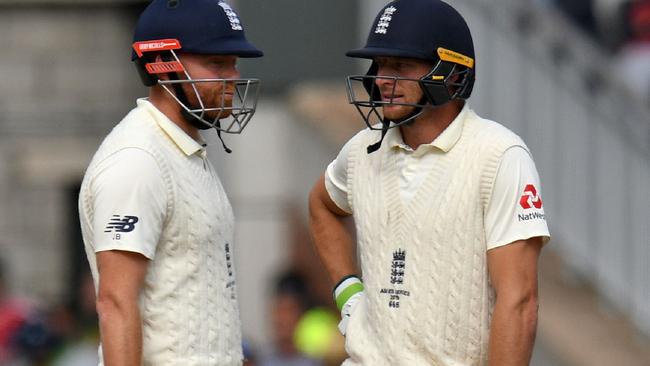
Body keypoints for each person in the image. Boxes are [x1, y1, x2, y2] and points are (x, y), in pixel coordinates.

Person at [308, 0, 550, 365]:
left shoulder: (499, 155)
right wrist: (349, 293)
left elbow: (519, 302)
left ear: (451, 72)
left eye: (401, 65)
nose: (382, 79)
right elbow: (321, 206)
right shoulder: (361, 150)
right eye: (380, 65)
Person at [78, 0, 263, 365]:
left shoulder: (186, 153)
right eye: (216, 63)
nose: (233, 77)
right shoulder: (138, 161)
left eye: (234, 63)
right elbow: (115, 301)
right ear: (164, 65)